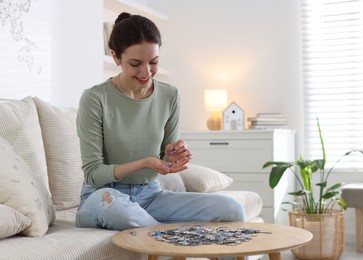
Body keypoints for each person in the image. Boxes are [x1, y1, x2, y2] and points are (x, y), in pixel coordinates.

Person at [75, 12, 245, 231]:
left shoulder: (169, 95)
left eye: (153, 62)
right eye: (135, 63)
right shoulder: (95, 98)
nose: (146, 72)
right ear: (116, 57)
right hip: (104, 197)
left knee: (231, 209)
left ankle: (163, 237)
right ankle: (173, 242)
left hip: (150, 195)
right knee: (117, 208)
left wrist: (173, 156)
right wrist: (145, 162)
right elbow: (93, 173)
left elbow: (167, 158)